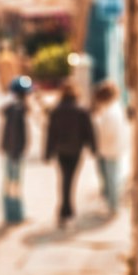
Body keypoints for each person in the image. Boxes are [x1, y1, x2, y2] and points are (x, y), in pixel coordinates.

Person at [45, 80, 96, 227]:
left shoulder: (56, 110)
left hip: (61, 150)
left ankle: (66, 208)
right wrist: (93, 147)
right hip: (75, 150)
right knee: (70, 178)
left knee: (64, 178)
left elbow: (50, 133)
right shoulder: (81, 109)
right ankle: (66, 209)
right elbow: (89, 130)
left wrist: (48, 152)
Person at [0, 76, 32, 224]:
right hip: (15, 153)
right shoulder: (17, 111)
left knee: (11, 182)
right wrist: (15, 154)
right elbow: (13, 134)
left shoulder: (15, 109)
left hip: (11, 151)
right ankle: (15, 214)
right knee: (14, 183)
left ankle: (12, 213)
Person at [92, 81, 128, 215]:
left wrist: (97, 122)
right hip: (111, 148)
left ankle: (114, 206)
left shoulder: (111, 112)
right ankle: (112, 204)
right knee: (111, 177)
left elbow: (107, 132)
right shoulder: (113, 109)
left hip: (110, 149)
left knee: (112, 178)